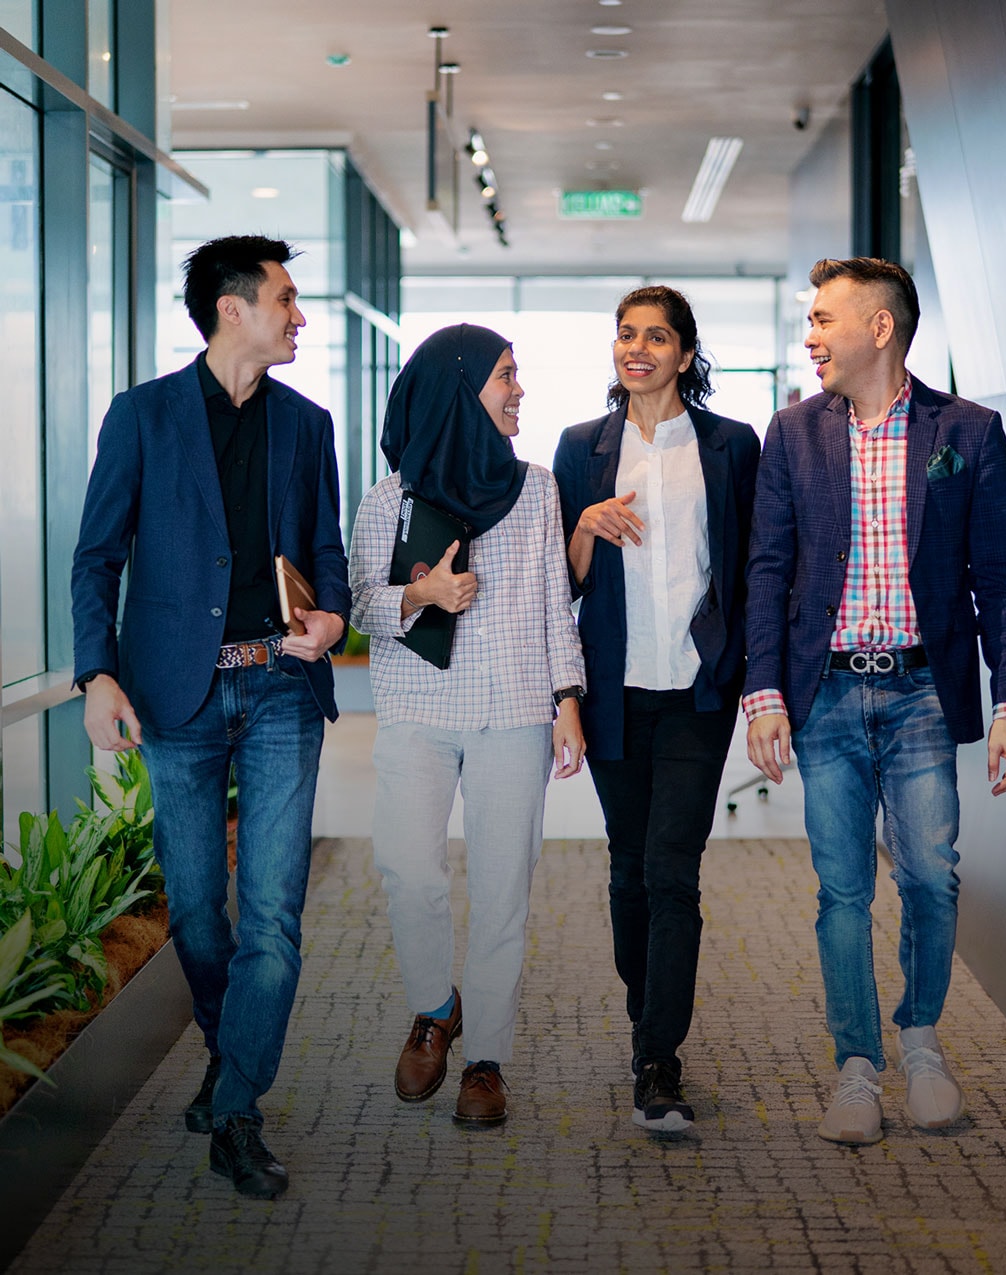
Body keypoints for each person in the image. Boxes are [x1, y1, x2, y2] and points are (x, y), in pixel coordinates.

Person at [71, 235, 351, 1198]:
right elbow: (97, 556)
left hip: (280, 689)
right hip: (175, 698)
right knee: (195, 909)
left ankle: (235, 1109)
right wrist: (95, 674)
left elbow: (326, 551)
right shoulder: (143, 415)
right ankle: (228, 1050)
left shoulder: (307, 424)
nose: (299, 316)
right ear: (233, 308)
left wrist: (332, 617)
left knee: (272, 913)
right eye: (286, 298)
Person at [744, 257, 1006, 1145]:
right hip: (824, 690)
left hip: (920, 692)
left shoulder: (967, 430)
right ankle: (856, 1066)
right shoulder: (792, 432)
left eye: (822, 318)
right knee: (841, 891)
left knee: (929, 878)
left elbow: (997, 579)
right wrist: (763, 693)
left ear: (879, 327)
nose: (809, 335)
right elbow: (768, 569)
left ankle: (920, 1040)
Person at [349, 323, 585, 1126]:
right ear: (459, 390)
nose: (519, 390)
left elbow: (555, 604)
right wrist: (422, 595)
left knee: (501, 886)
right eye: (504, 376)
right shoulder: (387, 499)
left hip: (513, 710)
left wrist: (567, 699)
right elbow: (361, 607)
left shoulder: (538, 489)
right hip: (416, 708)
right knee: (407, 867)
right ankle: (434, 1007)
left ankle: (485, 1055)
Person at [553, 286, 760, 1132]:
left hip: (697, 692)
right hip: (613, 689)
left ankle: (657, 1056)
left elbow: (749, 566)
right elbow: (560, 583)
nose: (636, 348)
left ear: (684, 353)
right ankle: (648, 1015)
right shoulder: (580, 447)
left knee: (673, 868)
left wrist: (753, 676)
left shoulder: (730, 445)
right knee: (628, 868)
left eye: (656, 337)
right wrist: (584, 526)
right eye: (625, 334)